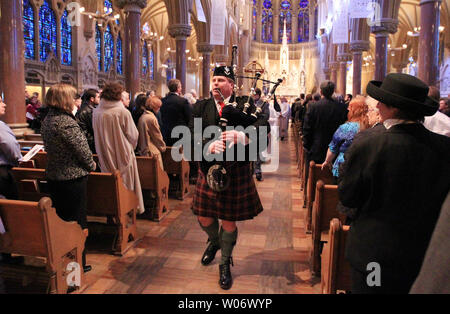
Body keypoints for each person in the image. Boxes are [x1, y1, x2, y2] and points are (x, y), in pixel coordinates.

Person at [338, 73, 450, 294]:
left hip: (375, 255)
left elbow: (348, 197)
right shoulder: (445, 147)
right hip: (422, 255)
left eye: (381, 101)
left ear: (394, 108)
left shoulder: (368, 144)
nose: (377, 105)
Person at [189, 66, 266, 290]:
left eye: (221, 80)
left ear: (232, 85)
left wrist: (243, 136)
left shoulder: (245, 104)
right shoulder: (201, 106)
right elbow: (192, 136)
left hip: (235, 171)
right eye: (213, 79)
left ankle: (225, 263)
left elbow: (262, 127)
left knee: (228, 220)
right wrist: (207, 145)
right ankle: (215, 243)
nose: (215, 83)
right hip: (209, 170)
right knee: (204, 217)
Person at [41, 84, 97, 273]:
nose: (78, 101)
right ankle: (76, 266)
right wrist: (92, 165)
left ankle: (67, 264)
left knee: (63, 222)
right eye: (75, 97)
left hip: (55, 175)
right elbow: (82, 150)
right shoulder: (66, 122)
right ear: (65, 100)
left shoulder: (48, 119)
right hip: (72, 179)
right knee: (76, 224)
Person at [92, 82, 145, 214]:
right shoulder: (122, 112)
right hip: (123, 154)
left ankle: (113, 211)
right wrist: (129, 148)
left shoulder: (97, 112)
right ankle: (128, 212)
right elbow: (133, 136)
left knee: (111, 185)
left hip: (104, 154)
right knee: (125, 187)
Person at [321, 96, 369, 180]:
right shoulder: (370, 126)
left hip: (344, 167)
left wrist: (327, 161)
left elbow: (333, 148)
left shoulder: (346, 128)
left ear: (353, 111)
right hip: (364, 168)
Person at [137, 96, 166, 169]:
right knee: (158, 176)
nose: (159, 109)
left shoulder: (143, 116)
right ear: (154, 107)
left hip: (144, 150)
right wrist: (163, 147)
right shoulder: (151, 118)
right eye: (158, 107)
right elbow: (157, 136)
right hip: (152, 151)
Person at [160, 79, 192, 146]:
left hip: (166, 133)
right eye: (180, 87)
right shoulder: (183, 101)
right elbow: (189, 117)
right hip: (180, 133)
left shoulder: (162, 100)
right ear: (178, 88)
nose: (181, 88)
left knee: (168, 155)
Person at [252, 88, 270, 181]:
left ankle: (258, 171)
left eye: (254, 94)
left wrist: (256, 116)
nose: (253, 96)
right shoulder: (249, 103)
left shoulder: (264, 104)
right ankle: (251, 170)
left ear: (258, 95)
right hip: (250, 130)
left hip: (260, 130)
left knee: (258, 151)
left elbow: (266, 116)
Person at [76, 89, 100, 154]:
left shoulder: (85, 109)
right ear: (92, 99)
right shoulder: (88, 111)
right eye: (98, 97)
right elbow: (93, 129)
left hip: (86, 142)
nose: (99, 99)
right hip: (90, 144)